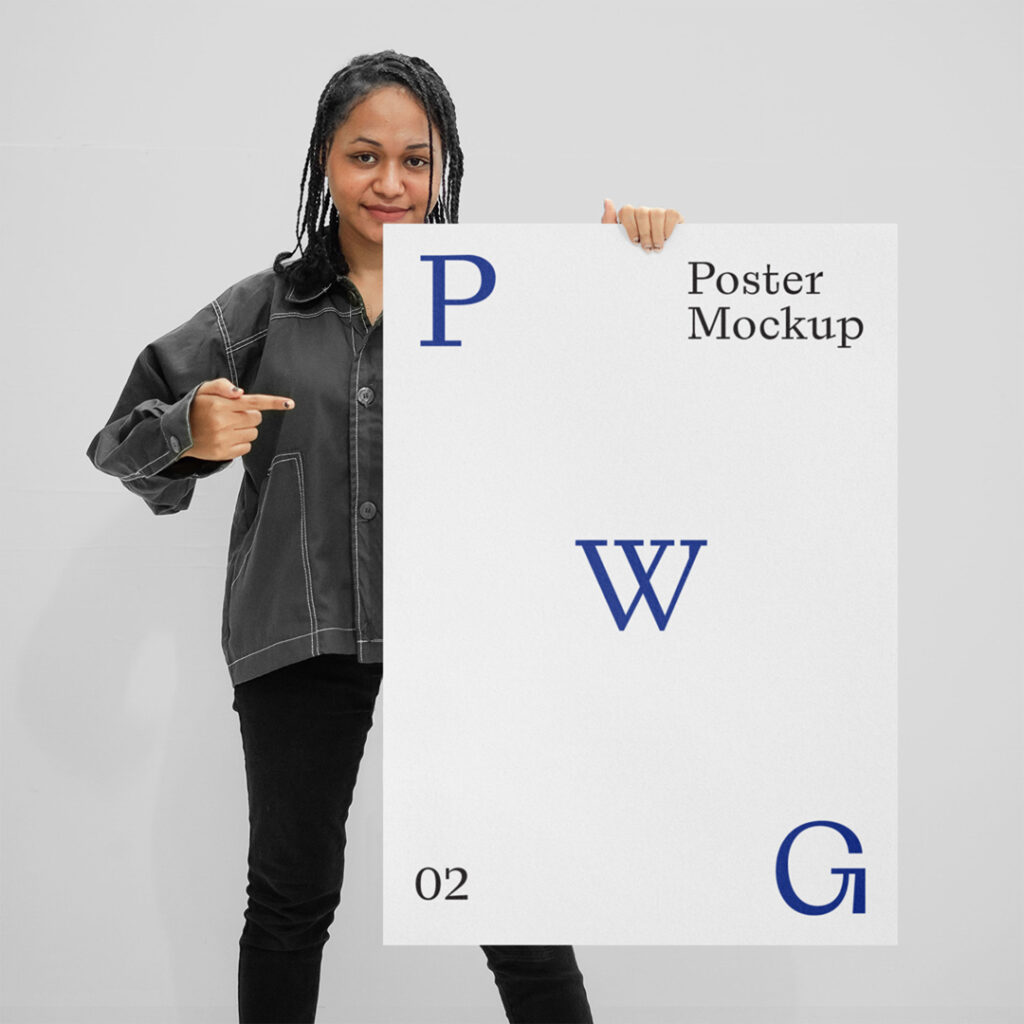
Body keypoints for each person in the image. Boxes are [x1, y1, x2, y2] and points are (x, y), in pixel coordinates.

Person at [85, 49, 683, 1024]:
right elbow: (121, 441)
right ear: (325, 162)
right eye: (366, 156)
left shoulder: (507, 299)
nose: (391, 183)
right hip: (300, 635)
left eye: (416, 158)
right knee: (289, 901)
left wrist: (639, 266)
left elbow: (622, 395)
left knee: (518, 909)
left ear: (445, 168)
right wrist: (188, 431)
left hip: (467, 644)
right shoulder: (261, 310)